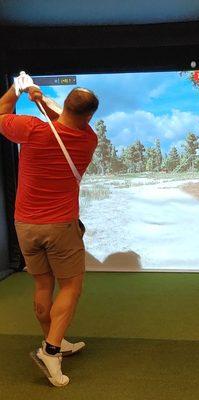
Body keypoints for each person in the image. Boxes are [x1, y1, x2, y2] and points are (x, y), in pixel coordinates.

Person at [0, 72, 99, 387]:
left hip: (25, 225)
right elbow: (67, 118)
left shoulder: (31, 129)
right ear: (90, 116)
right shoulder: (88, 139)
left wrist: (18, 88)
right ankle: (52, 350)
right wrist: (43, 100)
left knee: (43, 287)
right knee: (70, 288)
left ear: (66, 105)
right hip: (60, 227)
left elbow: (2, 111)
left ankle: (53, 340)